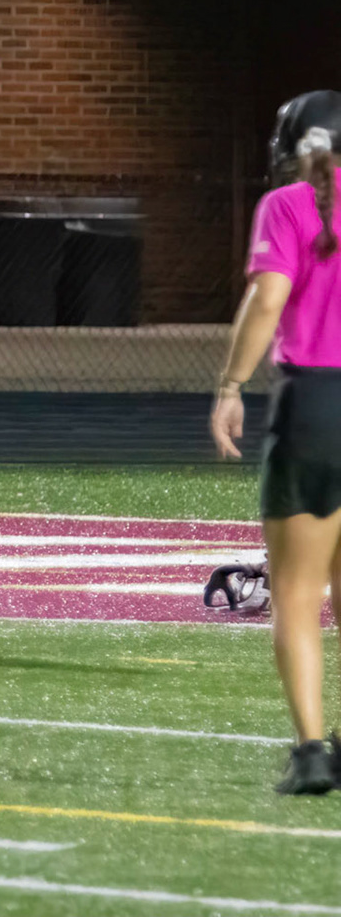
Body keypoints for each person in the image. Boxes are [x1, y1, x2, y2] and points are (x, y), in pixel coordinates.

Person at [211, 89, 341, 795]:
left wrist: (230, 385)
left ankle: (312, 752)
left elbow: (268, 299)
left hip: (314, 405)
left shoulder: (287, 205)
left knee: (295, 593)